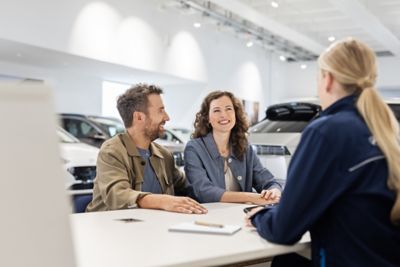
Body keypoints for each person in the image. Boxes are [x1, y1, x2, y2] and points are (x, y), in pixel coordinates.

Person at [245, 38, 400, 266]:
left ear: (327, 80)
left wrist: (259, 216)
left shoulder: (326, 131)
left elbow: (283, 229)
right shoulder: (386, 131)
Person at [86, 84, 207, 214]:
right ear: (139, 117)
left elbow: (189, 188)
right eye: (160, 110)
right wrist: (164, 201)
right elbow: (117, 195)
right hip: (110, 227)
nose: (167, 117)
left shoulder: (164, 155)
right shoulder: (112, 152)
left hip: (151, 227)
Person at [184, 90, 282, 204]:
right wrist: (250, 197)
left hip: (241, 216)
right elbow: (204, 192)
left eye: (228, 109)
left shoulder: (245, 148)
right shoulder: (194, 149)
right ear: (208, 118)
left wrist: (274, 191)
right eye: (216, 110)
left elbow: (268, 181)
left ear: (235, 113)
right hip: (207, 215)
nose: (223, 115)